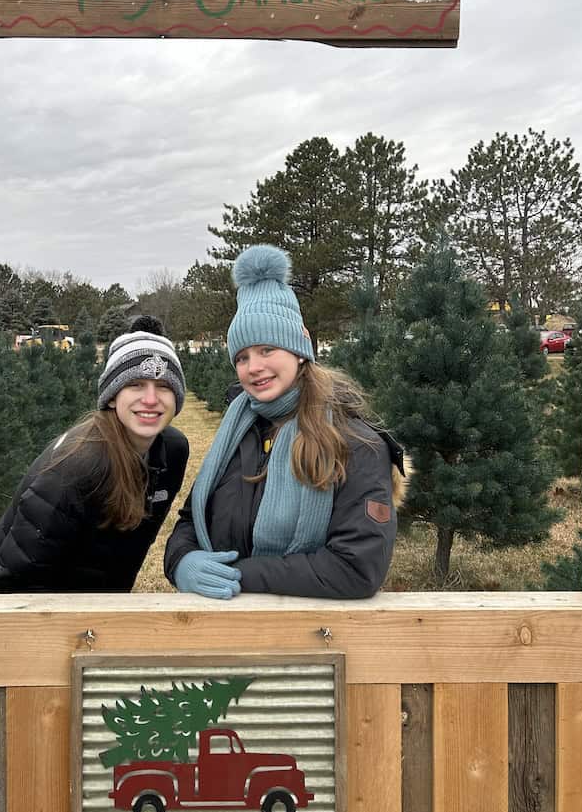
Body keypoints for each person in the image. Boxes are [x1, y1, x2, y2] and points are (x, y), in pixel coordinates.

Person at [164, 245, 407, 600]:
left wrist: (239, 576)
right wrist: (181, 561)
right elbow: (190, 521)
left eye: (267, 350)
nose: (254, 367)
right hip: (221, 634)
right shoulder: (237, 434)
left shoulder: (355, 442)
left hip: (310, 638)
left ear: (298, 350)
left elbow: (357, 568)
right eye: (243, 356)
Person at [0, 317, 189, 592]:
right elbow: (21, 578)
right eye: (135, 385)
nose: (150, 399)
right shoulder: (78, 466)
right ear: (112, 396)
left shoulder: (172, 452)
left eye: (163, 386)